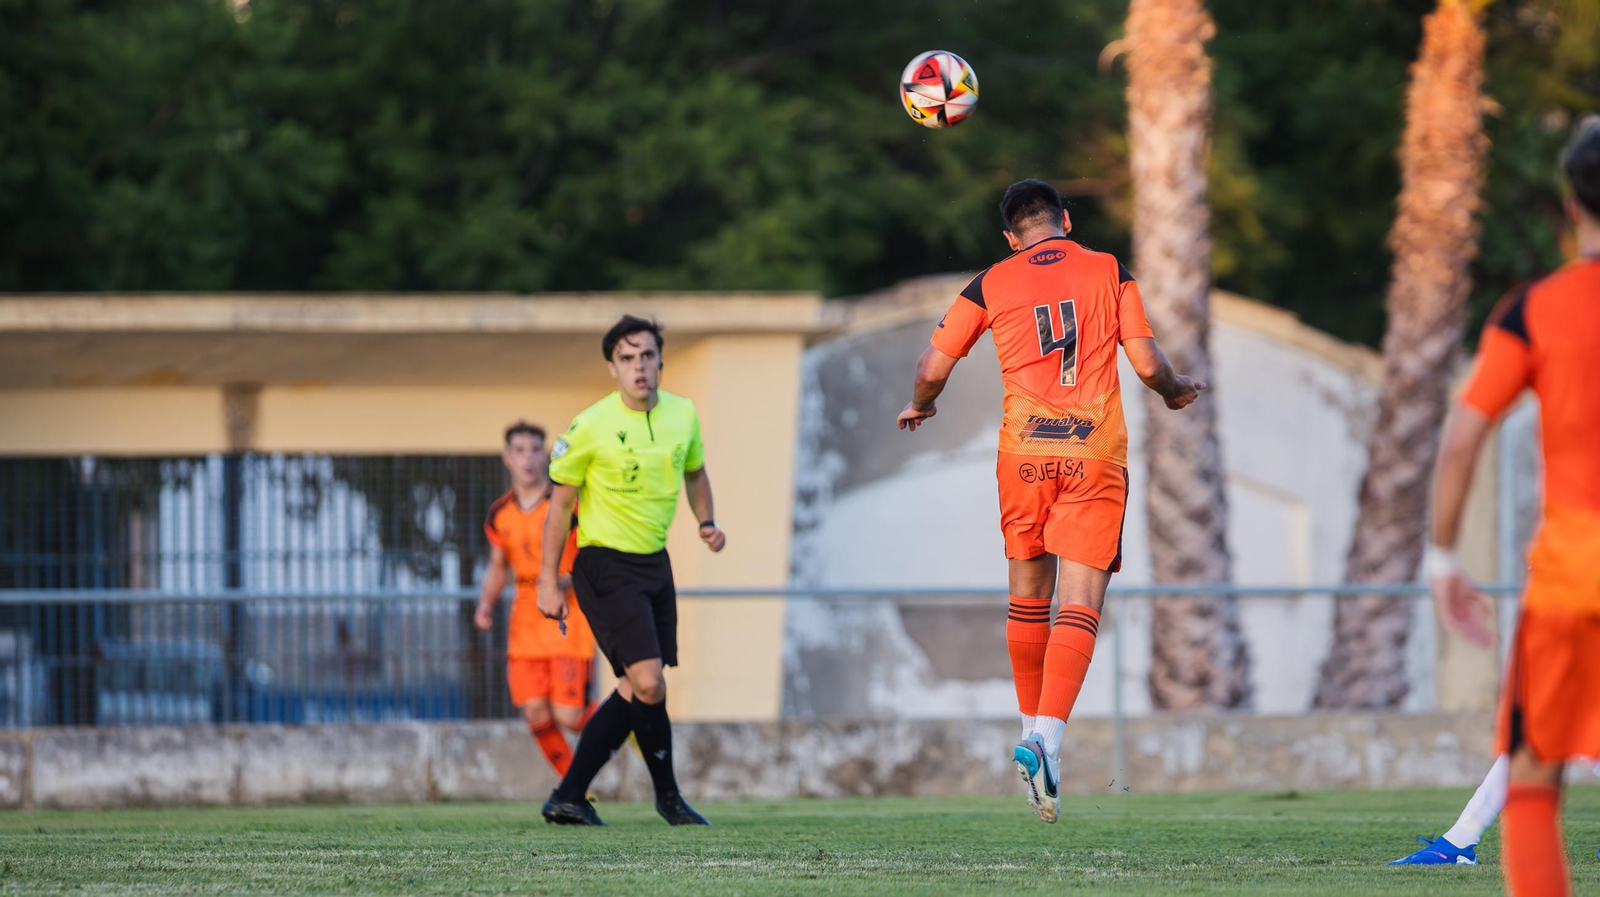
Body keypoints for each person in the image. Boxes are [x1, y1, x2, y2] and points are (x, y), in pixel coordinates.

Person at [897, 179, 1206, 824]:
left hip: (1024, 457)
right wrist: (1176, 390)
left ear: (1010, 237)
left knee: (1027, 598)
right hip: (1093, 452)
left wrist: (923, 405)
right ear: (1065, 220)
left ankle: (1037, 739)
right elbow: (1147, 364)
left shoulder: (991, 281)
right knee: (1081, 603)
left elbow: (932, 363)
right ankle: (1046, 738)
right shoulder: (1107, 269)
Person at [1426, 116, 1600, 896]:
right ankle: (1459, 836)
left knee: (1536, 766)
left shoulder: (1535, 308)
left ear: (1570, 205)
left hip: (1572, 570)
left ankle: (1466, 840)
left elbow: (1463, 438)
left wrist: (1442, 558)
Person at [537, 315, 727, 827]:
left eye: (646, 355)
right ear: (611, 368)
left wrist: (706, 521)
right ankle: (669, 800)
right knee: (648, 684)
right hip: (603, 564)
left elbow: (695, 471)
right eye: (627, 358)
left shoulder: (683, 416)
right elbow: (558, 507)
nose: (639, 367)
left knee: (637, 687)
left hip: (653, 564)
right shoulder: (590, 425)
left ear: (661, 360)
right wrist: (548, 579)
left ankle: (569, 796)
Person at [474, 421, 596, 778]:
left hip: (566, 618)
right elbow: (499, 567)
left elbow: (587, 558)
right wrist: (485, 604)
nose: (527, 458)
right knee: (534, 711)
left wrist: (562, 580)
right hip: (525, 623)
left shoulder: (565, 505)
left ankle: (626, 719)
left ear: (546, 455)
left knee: (570, 718)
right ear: (507, 458)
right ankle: (577, 787)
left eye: (534, 449)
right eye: (519, 450)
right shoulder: (500, 513)